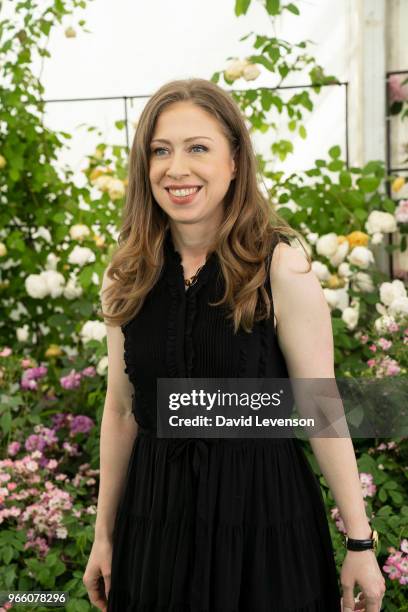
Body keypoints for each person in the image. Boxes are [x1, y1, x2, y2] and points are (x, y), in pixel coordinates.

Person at [83, 78, 386, 612]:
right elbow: (122, 410)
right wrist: (103, 536)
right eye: (160, 150)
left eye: (198, 147)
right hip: (155, 526)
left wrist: (359, 541)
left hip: (263, 525)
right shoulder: (125, 275)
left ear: (234, 161)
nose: (176, 168)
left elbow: (320, 406)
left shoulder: (279, 266)